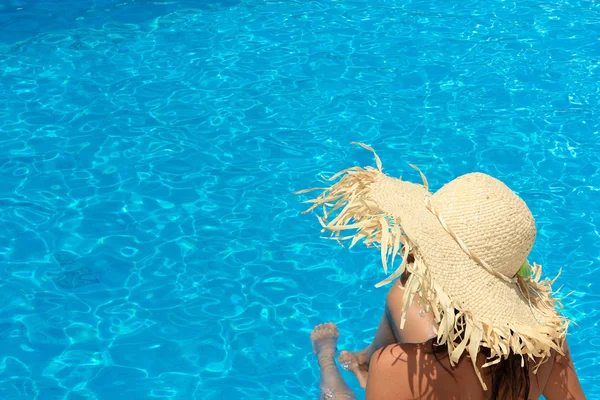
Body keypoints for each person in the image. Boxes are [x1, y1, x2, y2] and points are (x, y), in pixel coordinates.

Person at [296, 142, 586, 399]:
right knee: (400, 295)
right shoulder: (545, 348)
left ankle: (326, 361)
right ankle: (362, 362)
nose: (408, 254)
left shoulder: (397, 366)